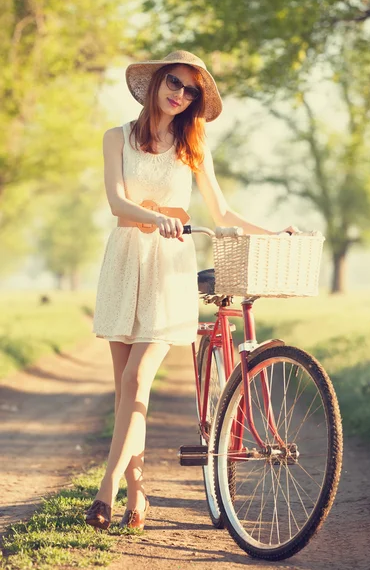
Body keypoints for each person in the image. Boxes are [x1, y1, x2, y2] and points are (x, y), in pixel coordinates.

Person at [86, 50, 297, 531]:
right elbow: (117, 201)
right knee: (125, 392)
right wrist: (155, 216)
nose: (179, 94)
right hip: (124, 261)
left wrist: (271, 234)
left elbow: (222, 213)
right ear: (158, 81)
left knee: (139, 380)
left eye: (190, 91)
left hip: (169, 268)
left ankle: (106, 490)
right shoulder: (116, 137)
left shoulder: (193, 149)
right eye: (174, 83)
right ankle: (138, 493)